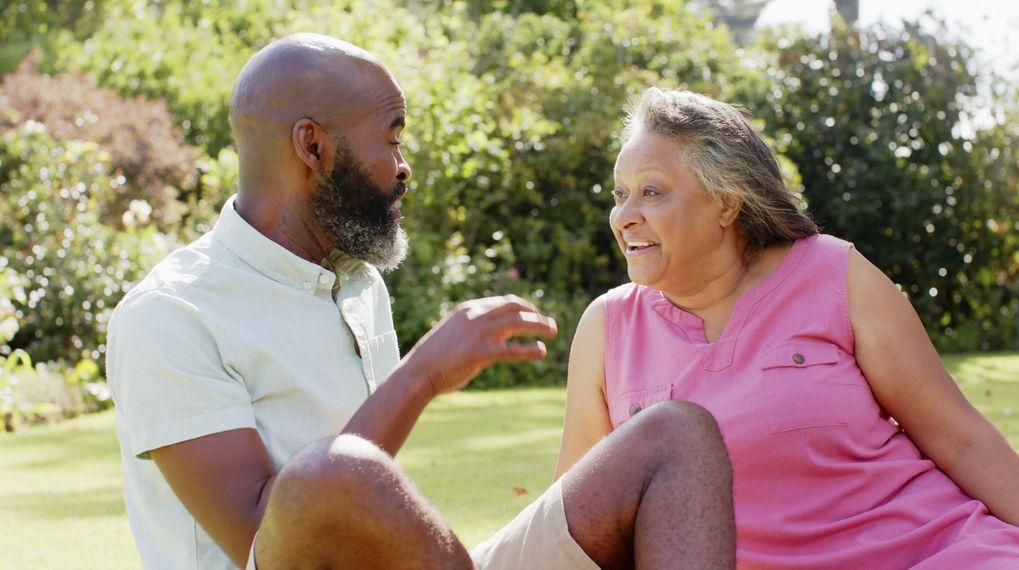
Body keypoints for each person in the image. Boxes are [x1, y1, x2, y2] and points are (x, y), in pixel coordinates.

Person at [107, 36, 737, 570]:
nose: (404, 167)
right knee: (330, 471)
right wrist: (423, 373)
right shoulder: (170, 316)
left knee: (675, 433)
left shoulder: (356, 284)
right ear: (313, 146)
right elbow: (261, 537)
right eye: (393, 138)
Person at [555, 86, 1019, 569]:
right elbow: (574, 525)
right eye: (619, 194)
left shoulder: (833, 274)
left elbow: (959, 438)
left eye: (651, 192)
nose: (624, 216)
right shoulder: (609, 327)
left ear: (726, 202)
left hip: (937, 553)